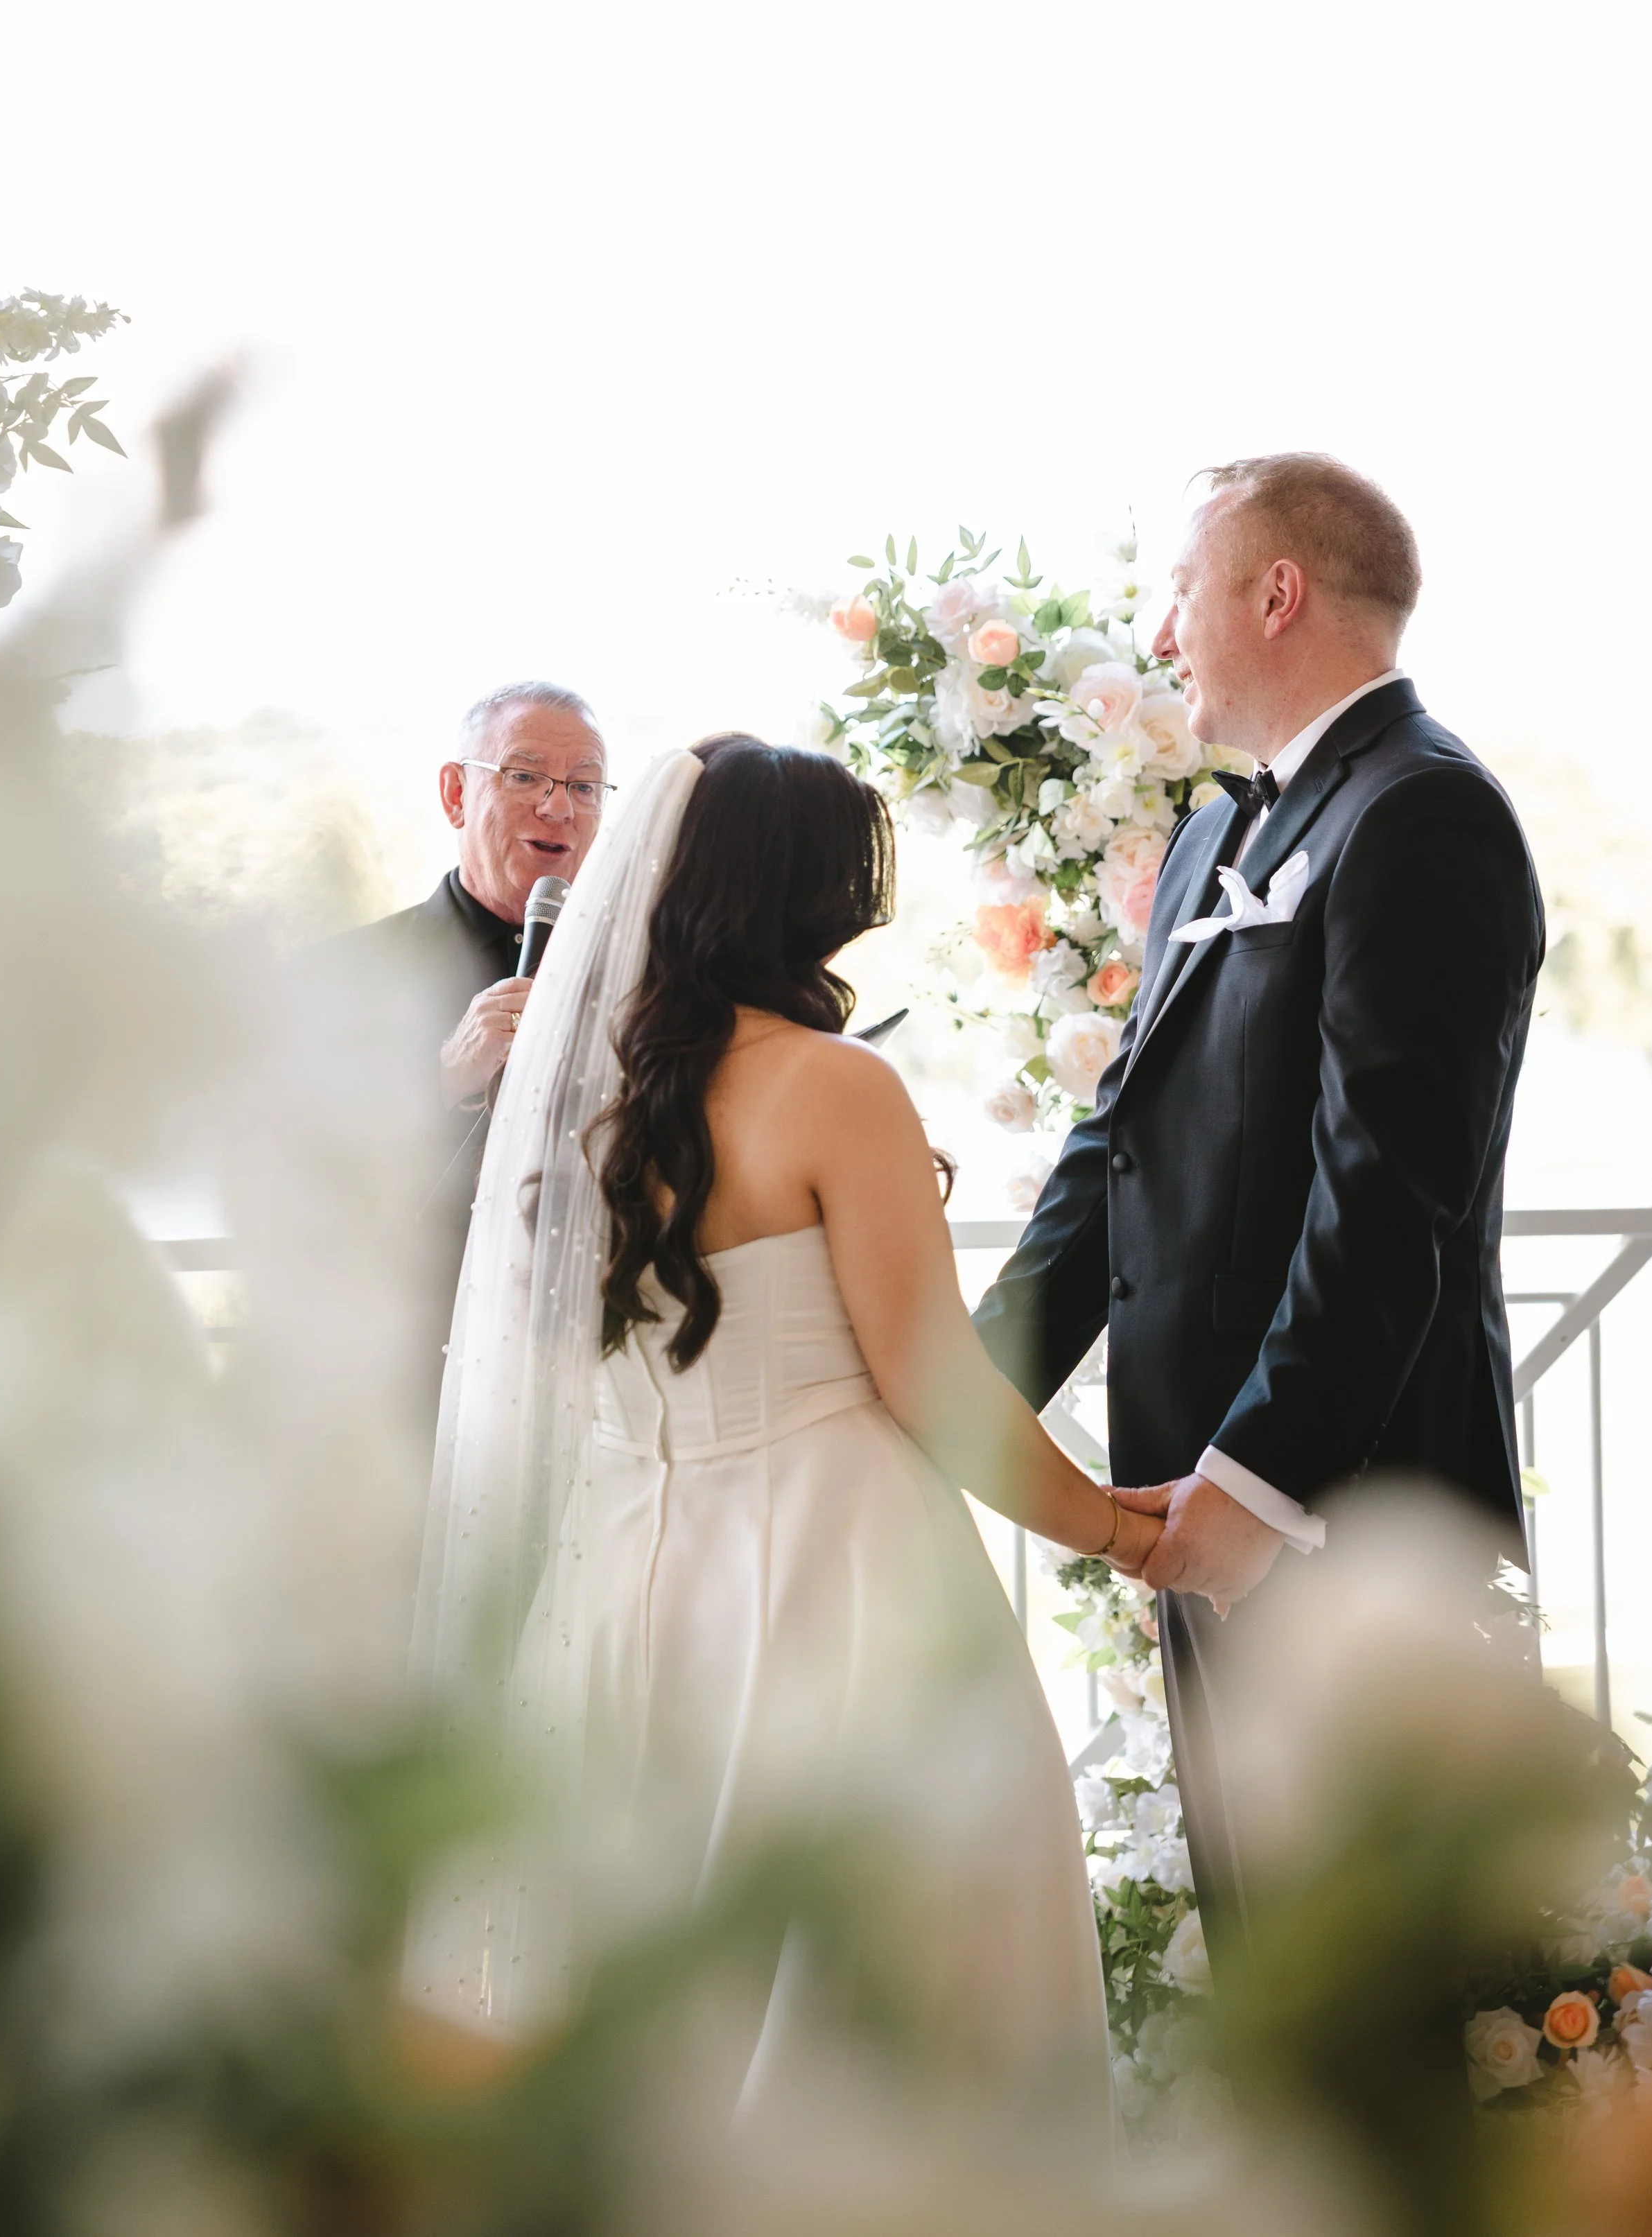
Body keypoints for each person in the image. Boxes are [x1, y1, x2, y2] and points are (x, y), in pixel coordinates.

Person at [406, 735, 1156, 2116]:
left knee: (656, 1957)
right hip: (835, 1571)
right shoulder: (830, 1086)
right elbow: (933, 1382)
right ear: (808, 898)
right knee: (898, 1963)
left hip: (622, 1570)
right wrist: (1119, 1530)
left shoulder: (578, 1084)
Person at [973, 453, 1545, 1968]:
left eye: (1177, 590)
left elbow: (1388, 1194)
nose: (1161, 634)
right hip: (1199, 1494)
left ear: (1272, 592)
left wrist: (1255, 1480)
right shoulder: (1217, 836)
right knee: (1267, 1959)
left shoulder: (1425, 815)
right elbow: (1120, 1147)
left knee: (1378, 1995)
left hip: (1339, 1507)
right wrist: (956, 1395)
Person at [313, 680, 611, 1409]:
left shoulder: (643, 977)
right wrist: (443, 1074)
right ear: (454, 794)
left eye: (583, 785)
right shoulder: (345, 973)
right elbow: (291, 1174)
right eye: (525, 776)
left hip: (596, 1375)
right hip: (404, 1380)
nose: (558, 807)